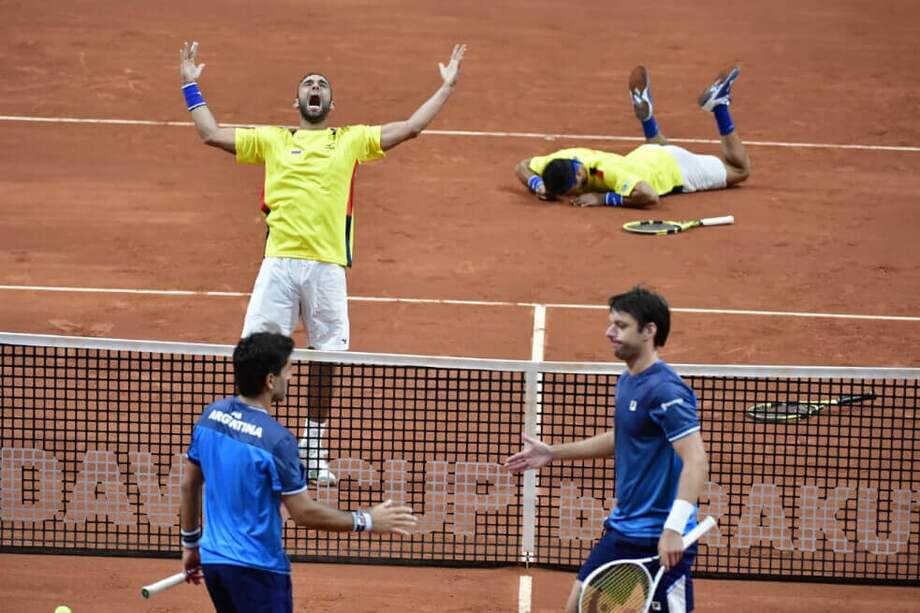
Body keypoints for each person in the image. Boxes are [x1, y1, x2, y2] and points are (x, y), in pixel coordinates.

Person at [178, 41, 467, 485]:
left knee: (326, 359)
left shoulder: (351, 140)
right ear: (297, 103)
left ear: (332, 104)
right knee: (255, 357)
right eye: (309, 85)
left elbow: (409, 128)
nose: (316, 87)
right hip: (279, 263)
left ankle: (312, 449)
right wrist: (189, 84)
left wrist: (446, 87)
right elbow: (211, 133)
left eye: (323, 85)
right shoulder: (272, 139)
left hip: (327, 267)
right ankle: (251, 439)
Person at [504, 287, 709, 613]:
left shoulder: (666, 390)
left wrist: (673, 528)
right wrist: (554, 452)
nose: (609, 332)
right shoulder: (629, 379)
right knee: (578, 608)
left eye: (621, 325)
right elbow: (623, 437)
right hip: (624, 528)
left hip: (659, 538)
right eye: (611, 323)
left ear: (649, 331)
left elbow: (696, 460)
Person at [180, 332, 417, 613]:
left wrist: (191, 545)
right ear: (270, 380)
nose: (290, 377)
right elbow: (303, 512)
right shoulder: (277, 441)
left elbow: (189, 486)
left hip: (215, 562)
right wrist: (367, 520)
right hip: (259, 570)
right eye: (288, 370)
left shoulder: (211, 417)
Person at [514, 65, 751, 207]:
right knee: (659, 147)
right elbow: (521, 167)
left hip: (677, 169)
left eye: (572, 189)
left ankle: (719, 106)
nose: (572, 195)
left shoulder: (610, 175)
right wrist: (539, 184)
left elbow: (648, 196)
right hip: (645, 157)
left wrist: (602, 199)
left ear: (578, 172)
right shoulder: (566, 156)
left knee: (739, 170)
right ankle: (647, 119)